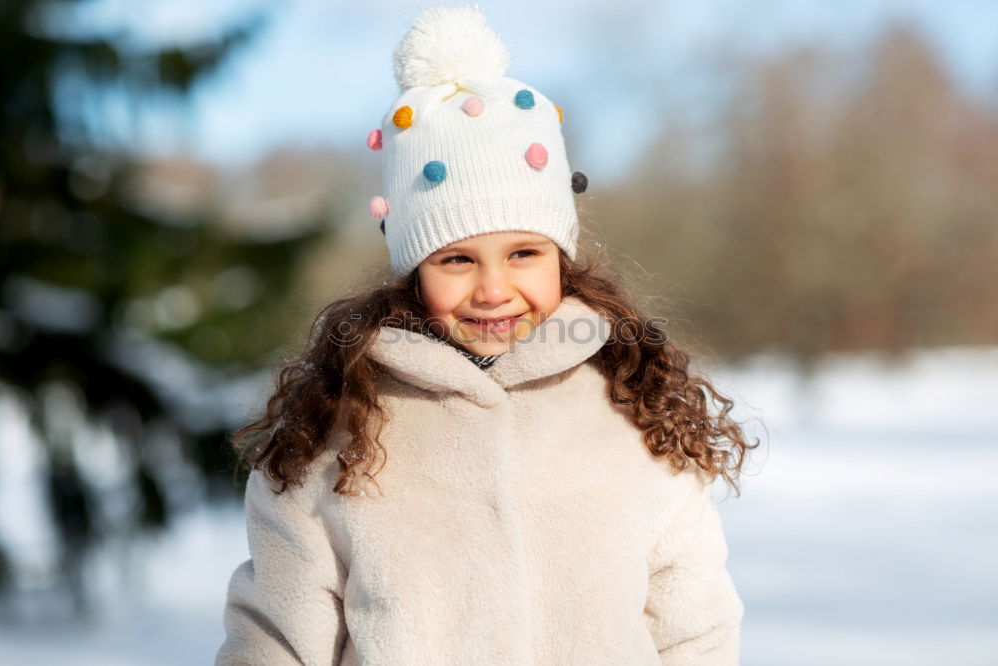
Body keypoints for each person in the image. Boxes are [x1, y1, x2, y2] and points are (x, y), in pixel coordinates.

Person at [216, 5, 759, 665]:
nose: (495, 289)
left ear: (563, 255)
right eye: (457, 259)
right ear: (414, 270)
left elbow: (694, 631)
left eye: (524, 254)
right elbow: (274, 643)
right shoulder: (336, 433)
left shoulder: (632, 415)